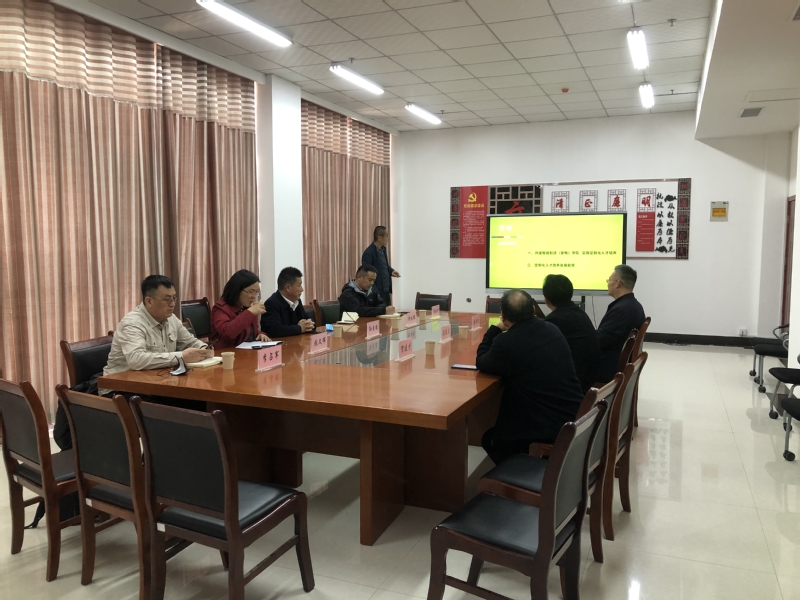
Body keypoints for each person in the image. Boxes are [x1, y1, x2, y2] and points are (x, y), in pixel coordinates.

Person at [476, 289, 584, 465]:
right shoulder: (552, 329)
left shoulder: (507, 342)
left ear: (503, 315)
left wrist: (494, 329)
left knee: (491, 440)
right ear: (533, 309)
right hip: (572, 415)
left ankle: (526, 472)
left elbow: (482, 361)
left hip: (548, 428)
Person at [100, 275, 213, 397]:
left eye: (174, 298)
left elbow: (190, 342)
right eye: (167, 299)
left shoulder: (171, 319)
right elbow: (136, 360)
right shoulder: (132, 323)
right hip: (121, 389)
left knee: (202, 397)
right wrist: (181, 357)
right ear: (149, 301)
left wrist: (203, 348)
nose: (172, 304)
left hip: (157, 383)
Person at [542, 274, 601, 393]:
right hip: (587, 378)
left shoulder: (555, 320)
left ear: (546, 299)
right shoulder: (578, 312)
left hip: (574, 385)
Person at [596, 264, 646, 382]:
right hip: (615, 361)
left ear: (617, 283)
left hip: (607, 367)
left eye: (609, 280)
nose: (608, 283)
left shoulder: (621, 310)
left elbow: (600, 340)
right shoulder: (634, 305)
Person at [210, 269, 271, 348]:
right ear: (237, 290)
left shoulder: (247, 308)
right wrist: (250, 312)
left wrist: (260, 334)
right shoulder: (220, 308)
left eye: (256, 292)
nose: (254, 296)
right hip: (227, 353)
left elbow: (249, 333)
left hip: (248, 352)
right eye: (251, 291)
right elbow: (228, 332)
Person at [261, 267, 316, 337]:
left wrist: (310, 324)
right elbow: (274, 330)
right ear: (288, 288)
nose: (302, 289)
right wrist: (299, 328)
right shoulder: (272, 303)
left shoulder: (296, 301)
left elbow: (308, 319)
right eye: (299, 285)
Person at [361, 226, 399, 304]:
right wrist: (375, 292)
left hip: (385, 289)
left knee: (388, 309)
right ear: (379, 238)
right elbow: (367, 274)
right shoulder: (368, 253)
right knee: (380, 310)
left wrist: (391, 271)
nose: (388, 238)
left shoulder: (383, 249)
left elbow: (384, 265)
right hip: (377, 291)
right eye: (386, 236)